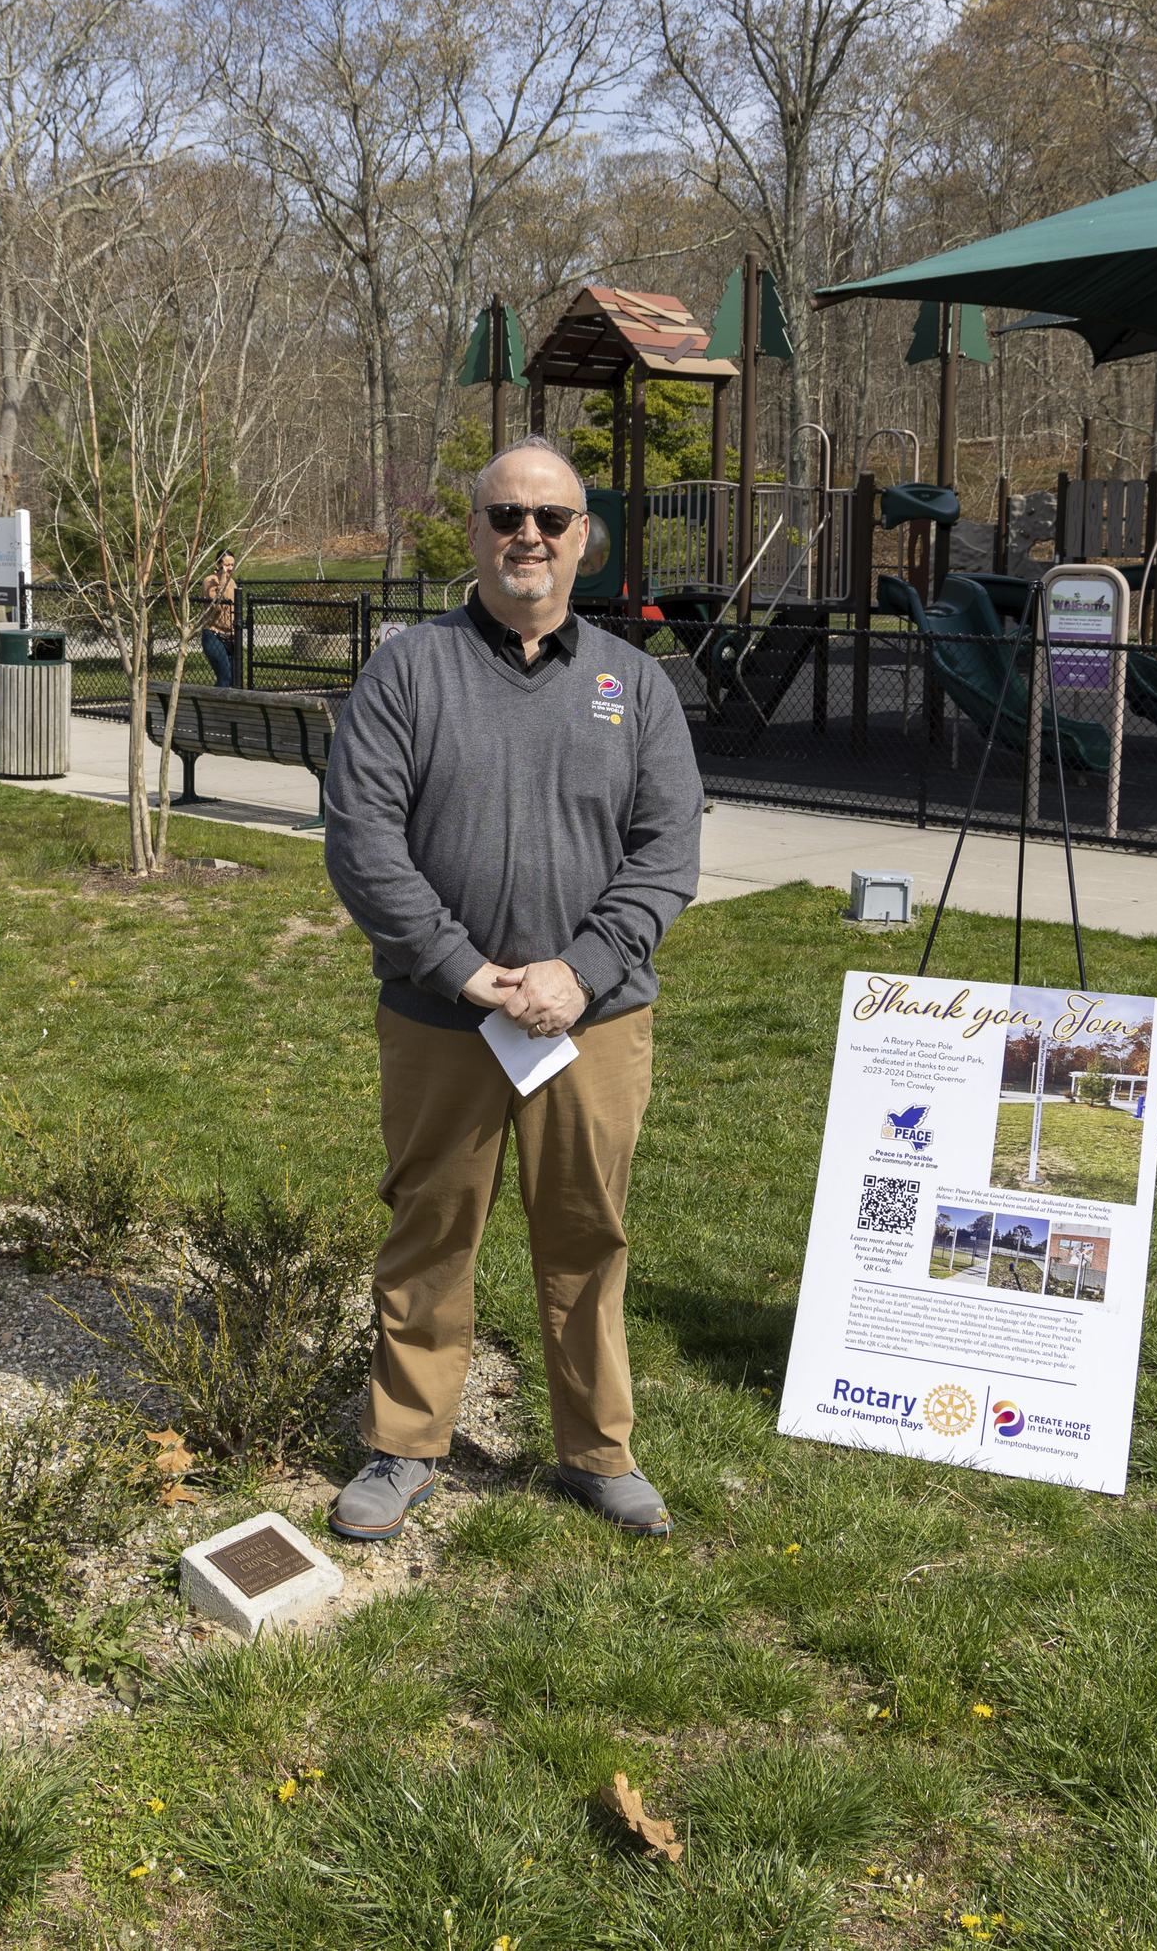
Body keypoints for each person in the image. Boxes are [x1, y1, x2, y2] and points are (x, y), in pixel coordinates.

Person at [322, 435, 703, 1543]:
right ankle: (404, 1444)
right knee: (431, 1229)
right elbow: (362, 840)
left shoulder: (635, 684)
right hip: (444, 1016)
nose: (526, 536)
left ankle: (596, 1450)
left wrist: (578, 973)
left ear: (584, 538)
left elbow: (666, 851)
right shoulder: (409, 669)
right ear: (477, 534)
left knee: (588, 1235)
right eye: (504, 517)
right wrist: (468, 971)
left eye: (550, 518)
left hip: (598, 1021)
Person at [201, 551, 238, 686]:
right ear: (218, 565)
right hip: (213, 634)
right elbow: (217, 607)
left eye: (232, 564)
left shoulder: (232, 582)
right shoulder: (209, 581)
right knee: (225, 676)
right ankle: (216, 706)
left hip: (232, 635)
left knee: (234, 678)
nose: (230, 568)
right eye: (227, 565)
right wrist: (222, 579)